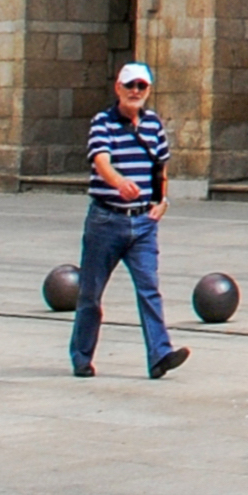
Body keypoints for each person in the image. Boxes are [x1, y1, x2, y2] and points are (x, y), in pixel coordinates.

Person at [70, 63, 189, 380]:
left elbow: (159, 169)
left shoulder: (153, 125)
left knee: (149, 289)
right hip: (106, 220)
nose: (135, 91)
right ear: (118, 88)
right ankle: (82, 356)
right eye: (130, 86)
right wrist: (118, 182)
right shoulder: (103, 123)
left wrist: (161, 201)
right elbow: (101, 161)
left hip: (142, 224)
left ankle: (160, 354)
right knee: (91, 294)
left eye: (142, 86)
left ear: (148, 90)